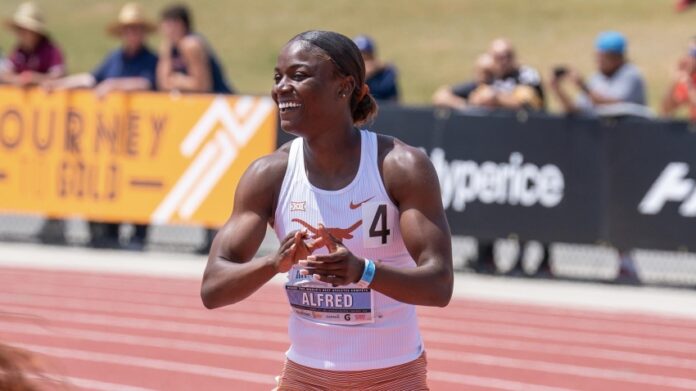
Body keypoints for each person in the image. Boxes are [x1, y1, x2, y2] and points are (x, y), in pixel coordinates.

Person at [201, 30, 453, 390]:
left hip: (392, 375)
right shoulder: (268, 174)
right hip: (306, 376)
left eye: (298, 75)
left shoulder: (400, 167)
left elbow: (439, 285)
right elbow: (213, 288)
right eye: (277, 77)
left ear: (344, 86)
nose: (281, 88)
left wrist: (362, 271)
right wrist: (273, 263)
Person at [43, 2, 158, 251]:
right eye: (127, 29)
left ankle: (139, 234)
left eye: (136, 29)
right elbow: (91, 79)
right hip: (112, 137)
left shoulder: (151, 59)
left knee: (139, 184)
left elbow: (146, 83)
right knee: (112, 182)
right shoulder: (115, 57)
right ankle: (111, 232)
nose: (131, 34)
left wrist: (114, 85)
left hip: (140, 139)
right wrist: (61, 85)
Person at [550, 31, 650, 118]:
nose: (598, 61)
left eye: (603, 58)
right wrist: (558, 90)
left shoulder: (631, 74)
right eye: (597, 57)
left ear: (617, 58)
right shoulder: (595, 78)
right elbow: (576, 111)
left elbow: (612, 105)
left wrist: (582, 86)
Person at [156, 3, 232, 94]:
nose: (167, 30)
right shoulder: (168, 47)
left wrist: (179, 81)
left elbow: (203, 86)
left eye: (171, 25)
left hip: (217, 99)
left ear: (182, 25)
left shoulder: (190, 44)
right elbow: (163, 84)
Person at [0, 2, 65, 86]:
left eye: (24, 29)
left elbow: (59, 76)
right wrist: (18, 79)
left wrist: (35, 78)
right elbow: (5, 73)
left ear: (35, 31)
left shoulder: (51, 51)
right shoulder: (19, 51)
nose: (21, 33)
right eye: (19, 29)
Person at [353, 35, 399, 102]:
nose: (364, 59)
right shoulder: (348, 75)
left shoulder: (385, 74)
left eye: (366, 54)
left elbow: (393, 101)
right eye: (359, 55)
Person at [662, 36, 696, 120]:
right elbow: (666, 110)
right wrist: (674, 82)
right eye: (688, 53)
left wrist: (689, 85)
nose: (688, 58)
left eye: (693, 53)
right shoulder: (691, 78)